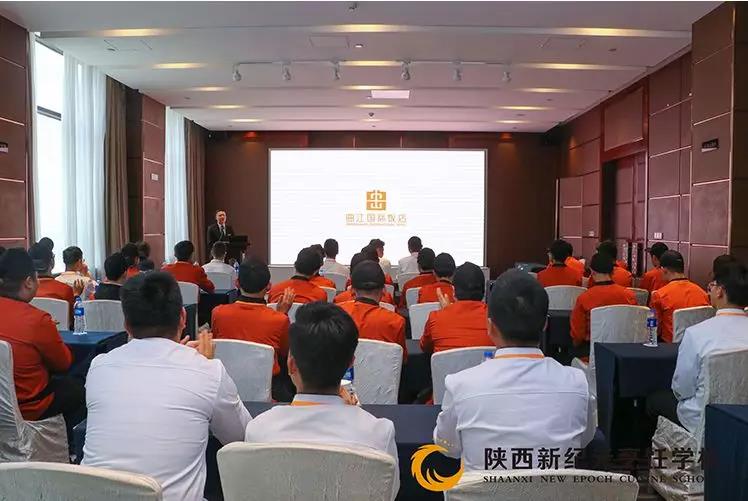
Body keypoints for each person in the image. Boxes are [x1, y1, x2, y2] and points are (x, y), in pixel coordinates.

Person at [82, 272, 251, 501]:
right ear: (182, 317)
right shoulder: (208, 371)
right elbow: (241, 437)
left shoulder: (99, 367)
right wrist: (202, 364)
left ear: (126, 325)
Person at [433, 269, 588, 470]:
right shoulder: (577, 383)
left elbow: (446, 447)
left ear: (490, 327)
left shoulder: (460, 385)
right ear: (545, 324)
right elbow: (583, 440)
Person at [244, 302, 399, 499]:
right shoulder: (379, 433)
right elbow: (388, 494)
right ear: (350, 364)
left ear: (291, 365)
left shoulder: (258, 430)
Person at [646, 262, 748, 432]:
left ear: (720, 291)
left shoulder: (697, 334)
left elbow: (682, 389)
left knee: (654, 400)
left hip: (702, 419)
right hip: (743, 418)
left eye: (712, 286)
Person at [0, 249, 83, 439]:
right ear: (29, 281)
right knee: (77, 389)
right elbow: (63, 364)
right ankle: (69, 448)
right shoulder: (37, 320)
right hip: (30, 407)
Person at [211, 257, 295, 400]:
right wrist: (281, 314)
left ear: (237, 283)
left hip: (225, 387)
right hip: (268, 390)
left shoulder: (218, 313)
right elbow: (284, 352)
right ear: (268, 286)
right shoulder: (279, 320)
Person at [570, 253, 637, 357]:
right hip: (624, 352)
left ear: (592, 271)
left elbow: (578, 335)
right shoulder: (629, 295)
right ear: (612, 271)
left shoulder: (584, 298)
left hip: (592, 352)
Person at [337, 261, 407, 359]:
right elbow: (401, 359)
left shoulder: (336, 315)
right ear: (384, 290)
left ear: (352, 290)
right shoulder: (396, 321)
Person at [420, 262, 491, 354]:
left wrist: (445, 314)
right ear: (484, 291)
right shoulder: (496, 319)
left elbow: (424, 347)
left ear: (453, 291)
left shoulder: (435, 318)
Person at [650, 250, 710, 343]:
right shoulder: (703, 294)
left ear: (664, 270)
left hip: (670, 347)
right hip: (698, 345)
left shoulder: (659, 295)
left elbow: (654, 329)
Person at [29, 242, 80, 324]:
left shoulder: (24, 293)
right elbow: (74, 321)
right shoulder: (66, 290)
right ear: (52, 262)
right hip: (60, 332)